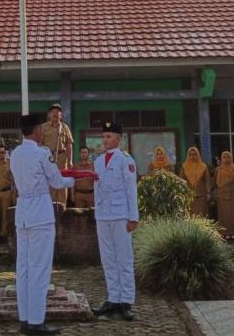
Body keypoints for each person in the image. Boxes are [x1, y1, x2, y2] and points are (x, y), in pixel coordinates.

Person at [12, 113, 76, 335]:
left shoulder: (15, 153)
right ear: (37, 131)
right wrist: (74, 178)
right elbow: (57, 181)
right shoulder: (42, 153)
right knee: (39, 268)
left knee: (23, 269)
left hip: (22, 214)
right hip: (40, 213)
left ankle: (25, 318)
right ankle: (37, 321)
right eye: (41, 128)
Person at [92, 121, 138, 322]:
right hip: (103, 215)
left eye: (108, 136)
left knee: (124, 259)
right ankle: (113, 299)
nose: (105, 140)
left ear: (118, 139)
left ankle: (126, 302)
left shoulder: (125, 160)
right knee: (108, 259)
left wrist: (133, 217)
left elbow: (131, 189)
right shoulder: (98, 161)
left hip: (120, 215)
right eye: (103, 136)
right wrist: (97, 213)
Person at [41, 104, 74, 207]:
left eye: (58, 112)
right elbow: (40, 145)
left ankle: (62, 208)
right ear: (49, 115)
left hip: (62, 158)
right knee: (49, 185)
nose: (55, 114)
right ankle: (50, 212)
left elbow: (69, 145)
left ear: (61, 115)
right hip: (48, 158)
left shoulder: (65, 127)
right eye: (53, 112)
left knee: (62, 184)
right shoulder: (44, 127)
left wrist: (70, 161)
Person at [215, 151, 234, 240]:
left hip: (232, 195)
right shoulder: (218, 170)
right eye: (224, 157)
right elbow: (215, 182)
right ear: (222, 159)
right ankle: (224, 233)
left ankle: (233, 232)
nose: (226, 159)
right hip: (222, 195)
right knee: (223, 215)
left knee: (233, 215)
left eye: (228, 157)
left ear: (231, 158)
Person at [179, 146, 211, 216]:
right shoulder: (184, 167)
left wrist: (208, 192)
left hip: (201, 195)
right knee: (191, 215)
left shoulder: (203, 166)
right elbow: (181, 181)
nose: (192, 156)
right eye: (190, 154)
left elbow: (207, 180)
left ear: (198, 155)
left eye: (194, 154)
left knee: (201, 214)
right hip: (189, 195)